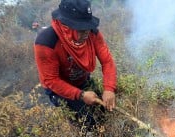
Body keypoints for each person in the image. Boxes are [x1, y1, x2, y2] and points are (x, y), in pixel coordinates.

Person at [34, 0, 117, 129]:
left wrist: (109, 89)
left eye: (87, 28)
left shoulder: (92, 33)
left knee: (102, 112)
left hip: (81, 78)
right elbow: (51, 80)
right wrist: (81, 95)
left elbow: (107, 61)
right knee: (87, 123)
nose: (86, 33)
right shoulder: (47, 42)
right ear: (65, 26)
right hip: (59, 89)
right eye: (81, 29)